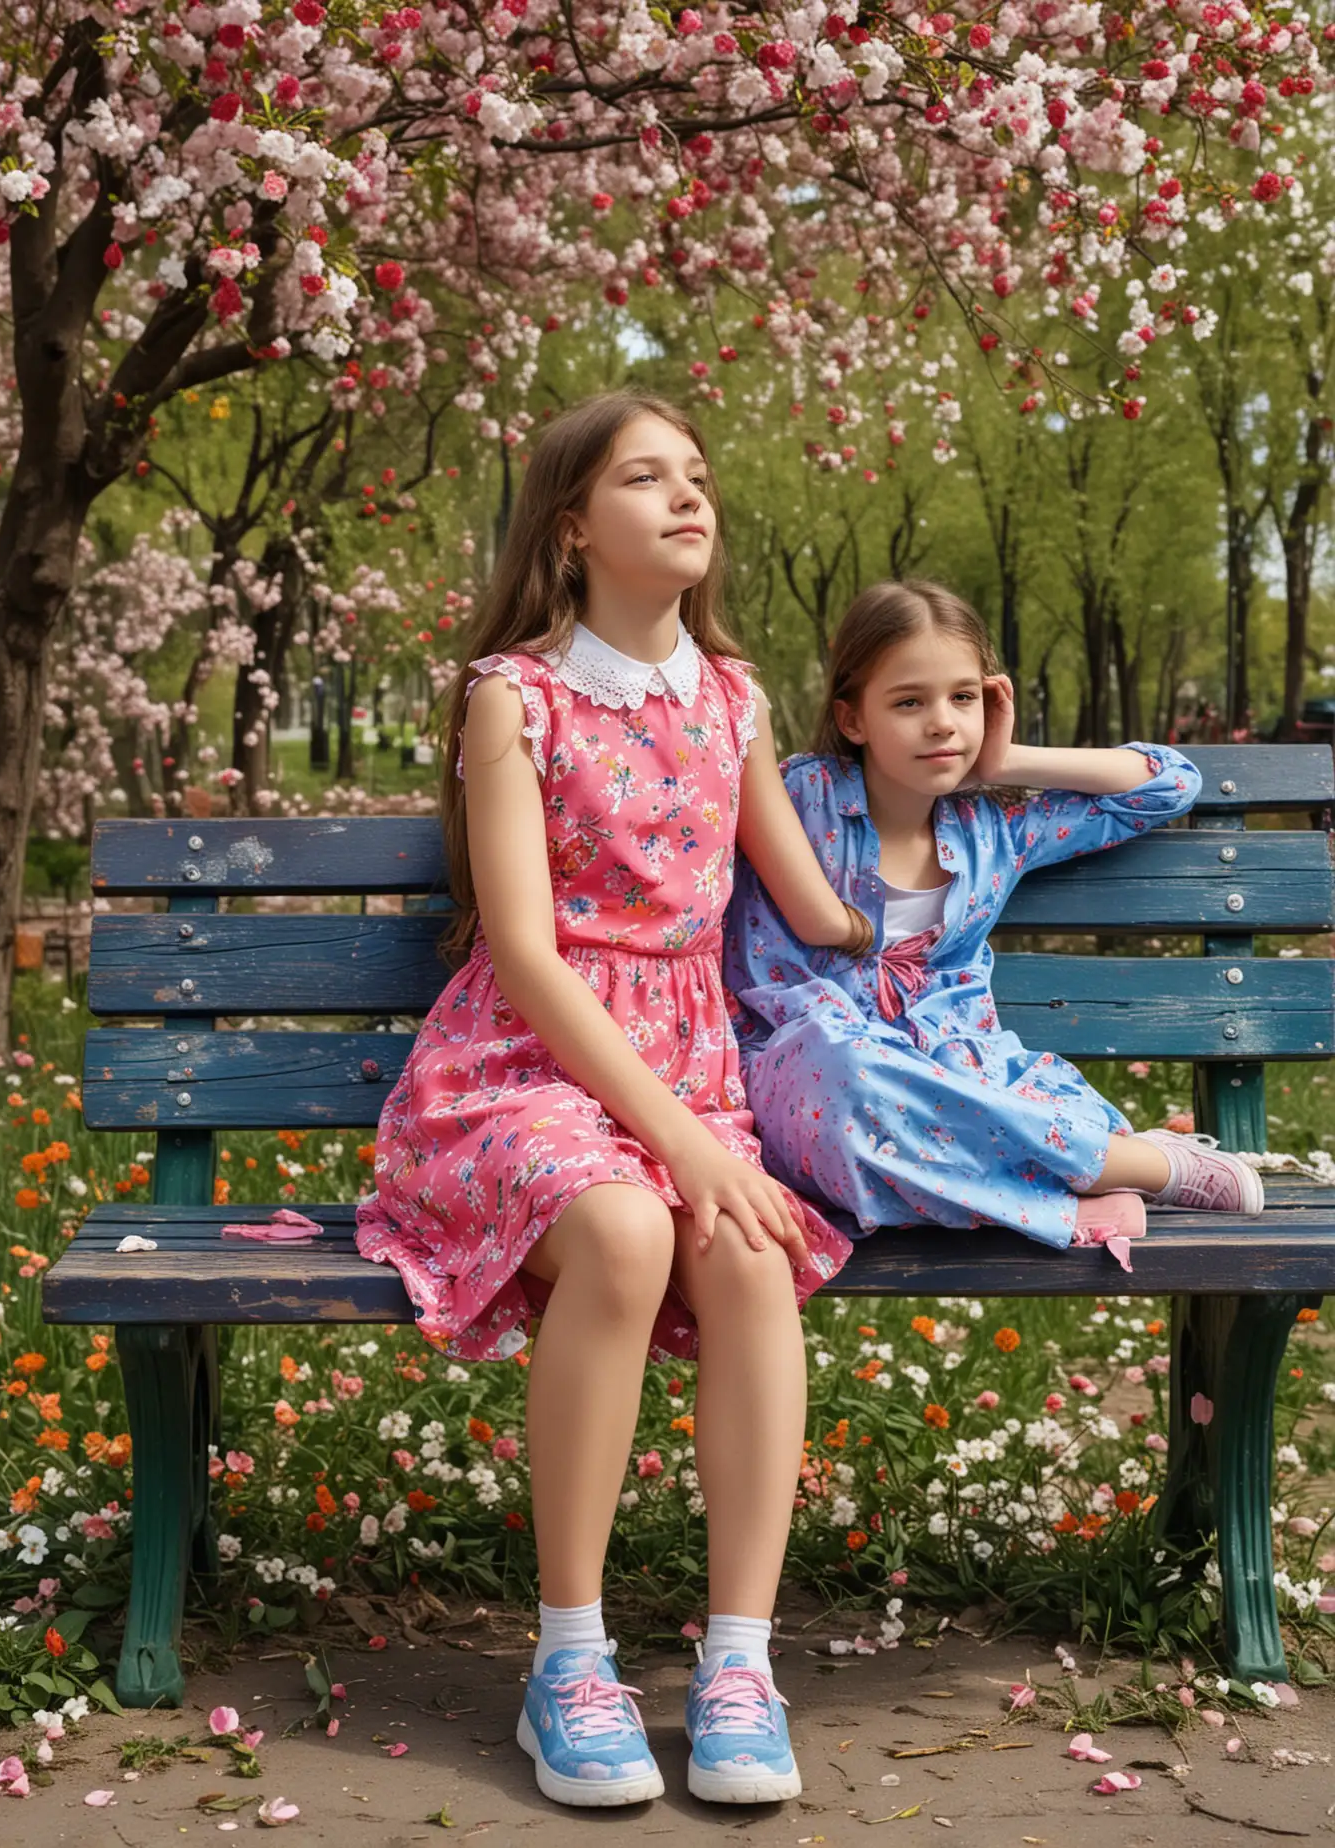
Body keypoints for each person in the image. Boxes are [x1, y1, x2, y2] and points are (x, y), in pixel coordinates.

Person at [357, 390, 872, 1809]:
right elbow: (523, 948)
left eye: (697, 476)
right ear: (575, 527)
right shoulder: (513, 695)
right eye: (647, 479)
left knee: (750, 1252)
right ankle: (570, 1659)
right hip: (521, 1069)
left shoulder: (734, 697)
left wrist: (984, 774)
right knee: (636, 1233)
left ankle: (739, 1663)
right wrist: (683, 1144)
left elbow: (823, 906)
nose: (687, 497)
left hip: (691, 1069)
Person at [724, 578, 1265, 1252]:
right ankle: (1137, 1170)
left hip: (960, 1077)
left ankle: (1027, 1189)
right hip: (809, 1076)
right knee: (847, 1076)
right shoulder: (804, 799)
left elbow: (1169, 784)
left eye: (963, 697)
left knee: (967, 1105)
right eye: (909, 702)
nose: (942, 722)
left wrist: (1006, 761)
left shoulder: (997, 829)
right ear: (852, 719)